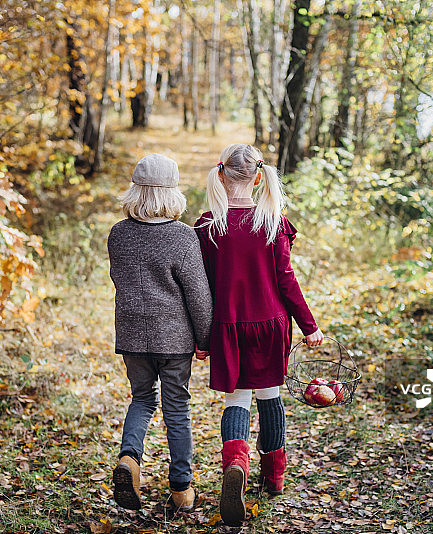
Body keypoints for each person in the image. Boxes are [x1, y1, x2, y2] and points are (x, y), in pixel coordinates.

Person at [195, 144, 323, 526]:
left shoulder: (207, 225)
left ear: (221, 175)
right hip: (269, 325)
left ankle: (236, 465)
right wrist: (310, 326)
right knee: (269, 398)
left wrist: (202, 338)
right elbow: (286, 281)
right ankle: (274, 475)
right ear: (257, 177)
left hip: (228, 327)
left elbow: (202, 288)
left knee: (237, 398)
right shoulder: (272, 221)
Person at [108, 153, 213, 513]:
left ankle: (130, 460)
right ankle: (182, 489)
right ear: (173, 193)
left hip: (133, 336)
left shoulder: (118, 234)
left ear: (135, 191)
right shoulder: (183, 237)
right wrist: (205, 340)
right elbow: (198, 294)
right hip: (175, 339)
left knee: (141, 399)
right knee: (176, 409)